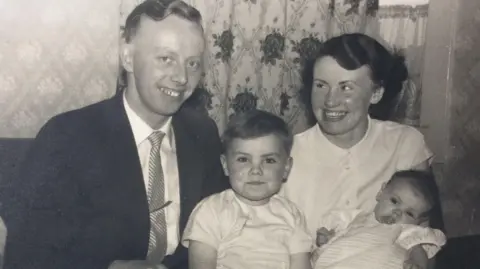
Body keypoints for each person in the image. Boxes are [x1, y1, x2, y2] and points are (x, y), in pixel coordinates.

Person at [1, 1, 228, 269]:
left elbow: (224, 228)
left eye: (192, 63)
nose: (181, 77)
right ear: (128, 58)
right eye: (166, 59)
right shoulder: (66, 138)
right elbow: (26, 252)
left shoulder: (203, 132)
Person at [281, 33, 444, 268]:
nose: (330, 100)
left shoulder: (406, 144)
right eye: (321, 85)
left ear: (376, 93)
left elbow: (426, 238)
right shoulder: (286, 155)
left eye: (346, 87)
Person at [182, 110, 312, 269]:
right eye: (243, 159)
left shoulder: (292, 215)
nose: (256, 170)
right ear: (225, 165)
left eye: (269, 160)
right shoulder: (211, 211)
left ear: (286, 167)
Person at [312, 170, 446, 269]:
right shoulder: (355, 218)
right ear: (381, 192)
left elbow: (417, 250)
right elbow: (339, 239)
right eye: (394, 201)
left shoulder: (406, 231)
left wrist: (417, 264)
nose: (397, 213)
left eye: (409, 213)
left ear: (419, 222)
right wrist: (328, 238)